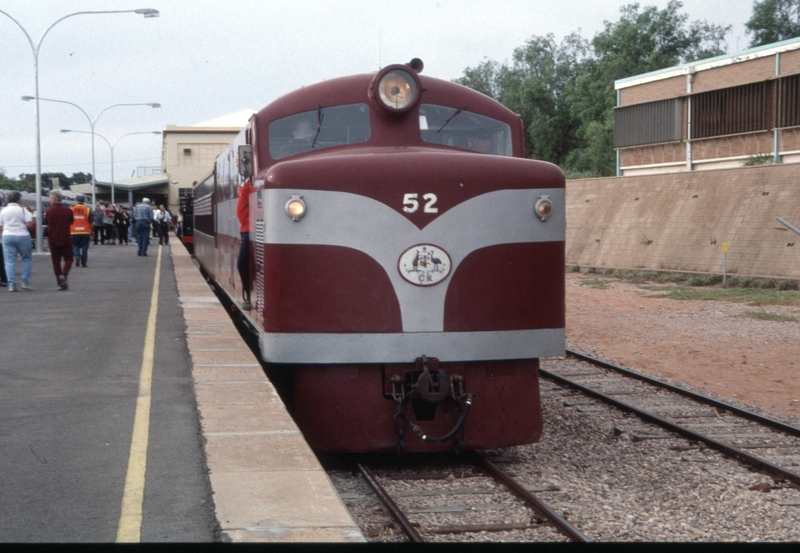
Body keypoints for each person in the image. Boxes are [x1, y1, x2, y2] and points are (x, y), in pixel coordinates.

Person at [0, 190, 35, 292]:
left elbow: (0, 226)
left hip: (7, 235)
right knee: (26, 259)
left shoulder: (3, 211)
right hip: (22, 235)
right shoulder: (23, 210)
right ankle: (25, 282)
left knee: (9, 262)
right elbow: (30, 224)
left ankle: (11, 284)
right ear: (18, 200)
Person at [45, 190, 74, 290]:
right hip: (66, 237)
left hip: (53, 239)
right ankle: (64, 275)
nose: (49, 200)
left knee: (56, 262)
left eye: (50, 198)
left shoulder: (48, 211)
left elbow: (47, 223)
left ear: (54, 199)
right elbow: (71, 221)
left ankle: (59, 281)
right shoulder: (68, 210)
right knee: (69, 259)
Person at [237, 177, 255, 310]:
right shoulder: (246, 181)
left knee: (242, 263)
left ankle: (249, 296)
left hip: (251, 230)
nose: (237, 162)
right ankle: (249, 295)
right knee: (244, 263)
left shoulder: (252, 182)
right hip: (245, 230)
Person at [70, 194, 92, 268]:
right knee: (84, 247)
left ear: (77, 201)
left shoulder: (71, 209)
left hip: (74, 231)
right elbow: (91, 221)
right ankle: (84, 263)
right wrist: (92, 231)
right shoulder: (88, 209)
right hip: (85, 231)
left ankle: (77, 255)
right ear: (84, 201)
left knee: (75, 245)